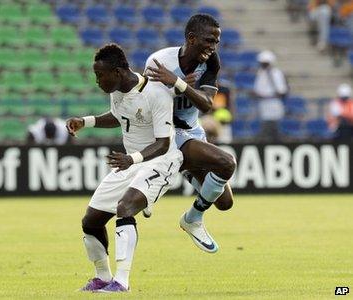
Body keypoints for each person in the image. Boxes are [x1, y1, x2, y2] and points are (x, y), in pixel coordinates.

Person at [66, 44, 183, 292]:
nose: (98, 81)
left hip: (161, 161)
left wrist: (133, 159)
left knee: (125, 207)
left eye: (101, 75)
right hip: (131, 161)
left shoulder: (156, 94)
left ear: (118, 72)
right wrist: (85, 122)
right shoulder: (117, 90)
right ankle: (103, 277)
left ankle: (122, 281)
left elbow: (163, 144)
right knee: (91, 221)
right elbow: (119, 116)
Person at [144, 14, 236, 253]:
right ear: (191, 38)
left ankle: (180, 186)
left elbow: (206, 104)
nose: (213, 46)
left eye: (216, 41)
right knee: (227, 163)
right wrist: (175, 85)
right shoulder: (159, 62)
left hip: (192, 130)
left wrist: (178, 83)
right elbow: (147, 105)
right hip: (167, 131)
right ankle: (190, 213)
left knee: (225, 203)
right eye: (209, 40)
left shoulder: (211, 61)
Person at [253, 50, 289, 142]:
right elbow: (257, 89)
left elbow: (282, 90)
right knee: (265, 125)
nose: (263, 65)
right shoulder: (260, 73)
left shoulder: (276, 73)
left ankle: (277, 142)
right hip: (263, 103)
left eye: (265, 63)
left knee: (275, 126)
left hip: (274, 102)